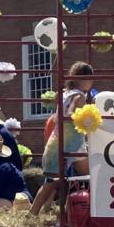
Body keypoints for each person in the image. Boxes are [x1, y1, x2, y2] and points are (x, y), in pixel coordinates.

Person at [31, 62, 93, 216]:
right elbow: (70, 112)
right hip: (73, 145)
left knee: (51, 182)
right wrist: (85, 120)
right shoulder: (79, 95)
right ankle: (85, 212)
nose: (91, 83)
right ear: (84, 78)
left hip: (57, 142)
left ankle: (33, 213)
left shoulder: (65, 93)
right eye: (90, 79)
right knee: (92, 177)